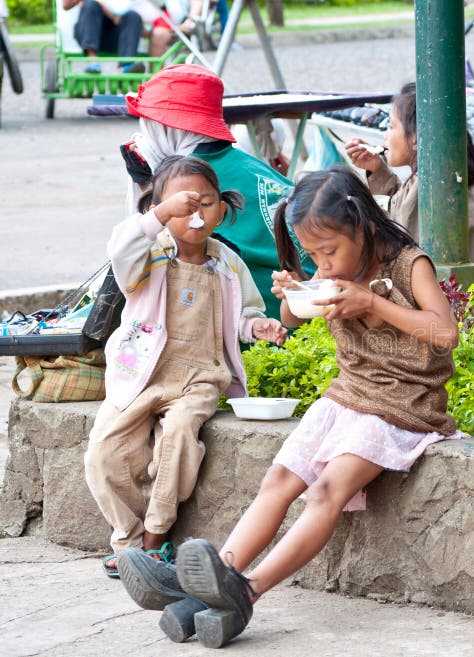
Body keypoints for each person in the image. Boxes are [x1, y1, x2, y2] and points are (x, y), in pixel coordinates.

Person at [115, 166, 462, 648]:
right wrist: (293, 296)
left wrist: (372, 303)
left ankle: (246, 591)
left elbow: (446, 333)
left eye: (329, 251)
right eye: (313, 254)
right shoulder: (331, 267)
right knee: (277, 481)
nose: (323, 263)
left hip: (404, 404)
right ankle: (211, 584)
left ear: (360, 225)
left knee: (325, 492)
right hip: (347, 395)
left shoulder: (408, 264)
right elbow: (290, 319)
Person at [85, 155, 287, 579]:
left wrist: (259, 326)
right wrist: (158, 216)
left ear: (222, 208)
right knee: (103, 452)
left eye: (206, 203)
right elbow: (120, 248)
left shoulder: (228, 264)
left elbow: (244, 316)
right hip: (142, 372)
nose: (195, 215)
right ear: (157, 210)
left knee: (178, 439)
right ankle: (127, 539)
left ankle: (154, 541)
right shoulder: (146, 255)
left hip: (200, 375)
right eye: (182, 206)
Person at [122, 64, 310, 319]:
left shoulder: (186, 182)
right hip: (303, 306)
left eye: (148, 124)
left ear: (165, 127)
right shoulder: (250, 164)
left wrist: (147, 187)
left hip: (259, 318)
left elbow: (140, 259)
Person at [345, 82, 474, 282]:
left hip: (447, 306)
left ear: (416, 138)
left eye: (391, 126)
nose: (386, 136)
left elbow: (397, 237)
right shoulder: (439, 175)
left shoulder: (433, 187)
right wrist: (377, 170)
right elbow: (403, 211)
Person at [63, 0, 144, 73]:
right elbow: (65, 5)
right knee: (91, 4)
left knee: (133, 16)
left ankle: (125, 67)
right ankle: (92, 61)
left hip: (116, 34)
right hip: (88, 32)